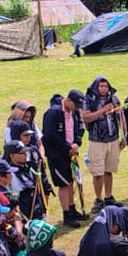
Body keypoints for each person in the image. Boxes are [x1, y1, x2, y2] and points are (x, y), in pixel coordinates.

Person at [42, 91, 86, 227]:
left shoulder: (74, 112)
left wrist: (76, 143)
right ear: (68, 100)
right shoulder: (53, 113)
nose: (76, 108)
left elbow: (79, 127)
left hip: (71, 152)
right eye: (75, 105)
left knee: (71, 181)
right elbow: (49, 135)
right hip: (57, 155)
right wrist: (68, 147)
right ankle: (66, 214)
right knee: (64, 184)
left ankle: (72, 209)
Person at [81, 76, 124, 209]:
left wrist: (124, 136)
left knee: (109, 170)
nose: (104, 89)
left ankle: (108, 196)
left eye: (106, 86)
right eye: (101, 86)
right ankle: (98, 199)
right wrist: (103, 110)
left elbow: (121, 117)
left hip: (113, 139)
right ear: (96, 87)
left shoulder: (113, 98)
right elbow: (86, 118)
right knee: (97, 172)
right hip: (96, 140)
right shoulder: (89, 99)